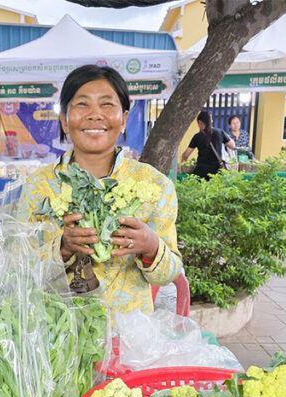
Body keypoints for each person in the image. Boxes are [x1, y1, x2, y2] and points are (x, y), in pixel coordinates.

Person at [21, 64, 183, 314]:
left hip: (131, 331)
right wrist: (62, 248)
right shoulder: (39, 187)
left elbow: (169, 273)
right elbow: (20, 269)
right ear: (64, 120)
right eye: (82, 104)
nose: (95, 114)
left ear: (124, 119)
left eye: (107, 104)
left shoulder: (154, 185)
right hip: (61, 328)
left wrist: (151, 246)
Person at [182, 110, 235, 178]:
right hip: (217, 173)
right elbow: (232, 146)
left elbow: (186, 155)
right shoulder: (219, 132)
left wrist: (184, 162)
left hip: (201, 172)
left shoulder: (197, 136)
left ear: (200, 122)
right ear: (211, 121)